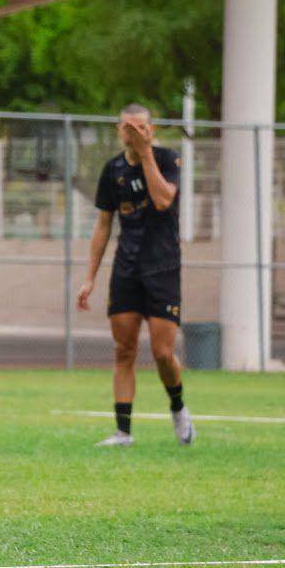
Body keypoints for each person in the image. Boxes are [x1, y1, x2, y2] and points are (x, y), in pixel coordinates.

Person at [76, 103, 195, 447]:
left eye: (141, 127)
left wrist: (145, 156)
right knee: (124, 349)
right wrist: (90, 277)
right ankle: (123, 432)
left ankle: (178, 407)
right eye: (129, 127)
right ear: (119, 131)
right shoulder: (112, 170)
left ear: (152, 130)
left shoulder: (167, 159)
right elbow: (103, 225)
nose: (135, 133)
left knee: (162, 352)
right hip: (127, 270)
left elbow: (162, 201)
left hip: (163, 268)